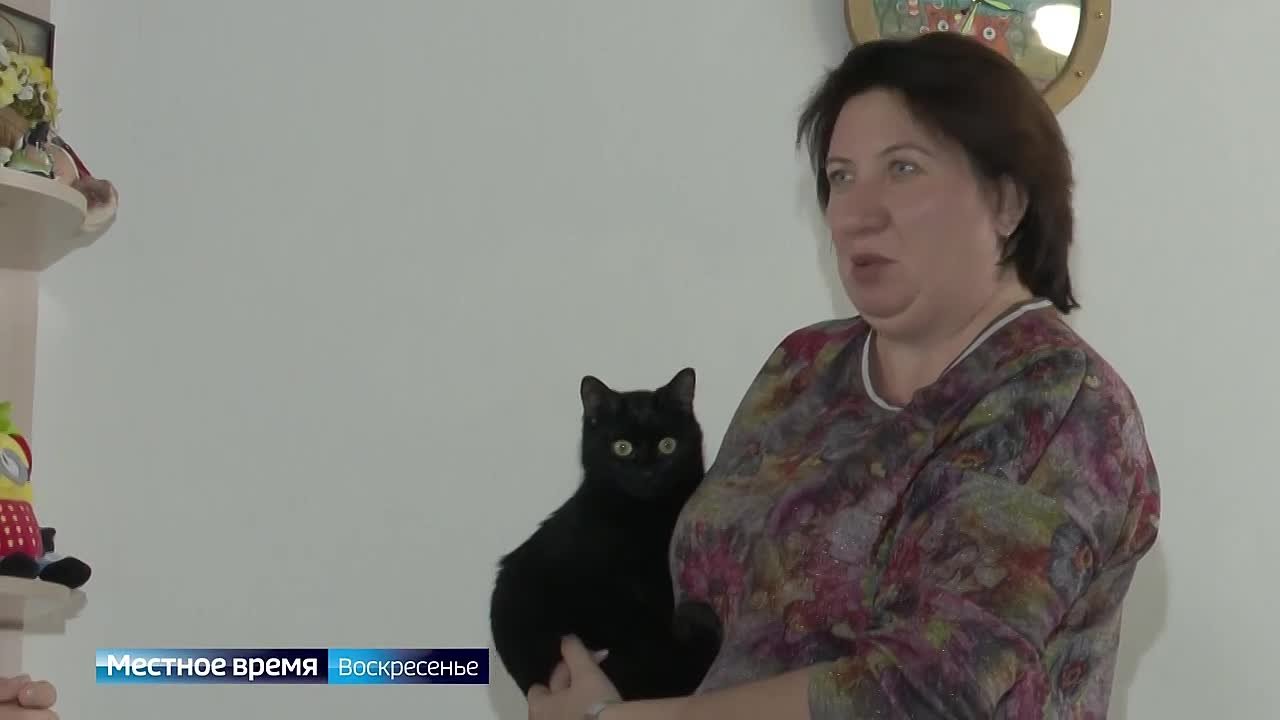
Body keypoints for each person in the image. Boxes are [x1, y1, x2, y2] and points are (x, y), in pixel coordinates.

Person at [527, 30, 1161, 720]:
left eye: (904, 168)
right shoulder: (803, 365)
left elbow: (922, 693)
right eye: (841, 177)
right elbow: (705, 609)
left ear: (1007, 201)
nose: (857, 214)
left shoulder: (1062, 405)